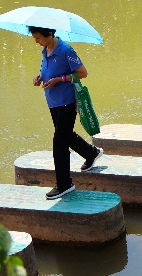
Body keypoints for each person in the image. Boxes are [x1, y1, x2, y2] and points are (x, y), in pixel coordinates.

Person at [30, 26, 101, 199]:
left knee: (59, 142)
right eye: (34, 38)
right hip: (53, 102)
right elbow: (46, 70)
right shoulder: (45, 50)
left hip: (67, 102)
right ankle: (91, 153)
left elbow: (82, 73)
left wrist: (59, 80)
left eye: (38, 37)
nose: (36, 41)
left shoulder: (65, 50)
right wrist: (39, 77)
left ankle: (64, 184)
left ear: (50, 34)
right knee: (66, 135)